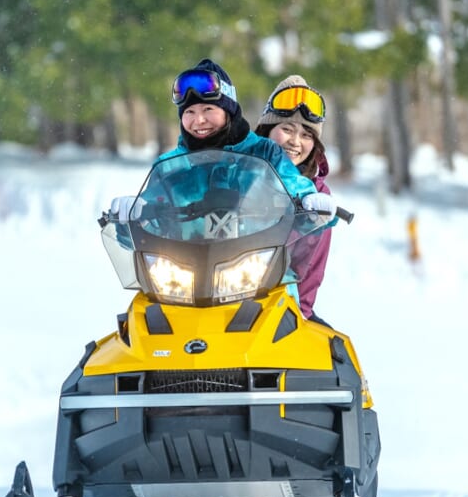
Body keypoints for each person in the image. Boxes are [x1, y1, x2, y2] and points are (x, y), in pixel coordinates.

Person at [110, 59, 336, 221]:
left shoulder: (264, 152)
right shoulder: (170, 165)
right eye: (189, 112)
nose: (199, 120)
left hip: (259, 262)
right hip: (185, 268)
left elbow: (291, 182)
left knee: (283, 289)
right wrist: (130, 215)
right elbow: (149, 223)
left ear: (229, 111)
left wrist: (309, 199)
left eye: (208, 109)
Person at [255, 74, 332, 324]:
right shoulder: (238, 175)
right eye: (287, 129)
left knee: (334, 351)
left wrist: (301, 314)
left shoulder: (317, 194)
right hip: (223, 288)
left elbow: (310, 269)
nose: (295, 142)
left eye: (307, 134)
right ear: (268, 131)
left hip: (282, 301)